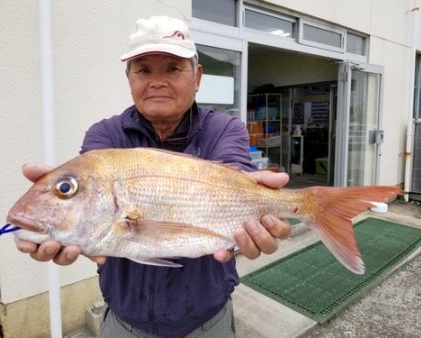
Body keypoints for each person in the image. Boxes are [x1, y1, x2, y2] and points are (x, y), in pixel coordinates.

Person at [16, 16, 291, 338]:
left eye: (173, 68)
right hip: (124, 320)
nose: (157, 81)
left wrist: (268, 206)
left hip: (208, 319)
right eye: (143, 69)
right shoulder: (105, 135)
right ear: (129, 78)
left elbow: (238, 175)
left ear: (197, 77)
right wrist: (63, 221)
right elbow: (94, 209)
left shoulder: (224, 129)